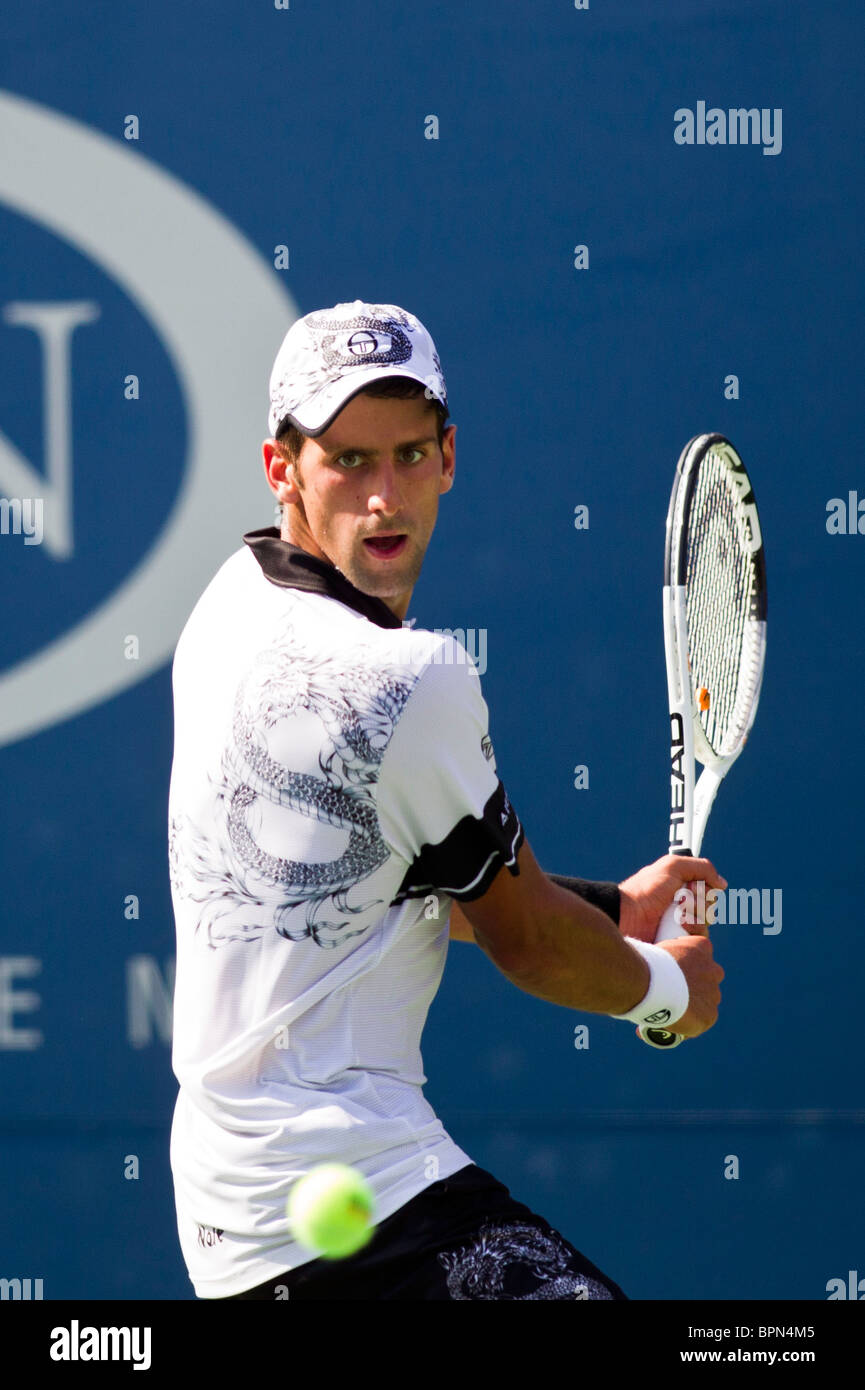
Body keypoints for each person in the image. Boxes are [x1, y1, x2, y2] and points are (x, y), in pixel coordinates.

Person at [167, 300, 725, 1301]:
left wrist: (611, 911)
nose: (384, 499)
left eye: (410, 455)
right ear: (280, 467)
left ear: (449, 455)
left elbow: (379, 873)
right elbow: (524, 941)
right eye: (349, 461)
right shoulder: (408, 677)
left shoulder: (227, 605)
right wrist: (665, 992)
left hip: (232, 1221)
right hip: (365, 1204)